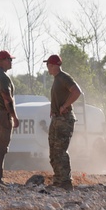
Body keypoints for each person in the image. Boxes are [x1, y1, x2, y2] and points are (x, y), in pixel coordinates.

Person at [45, 54, 83, 189]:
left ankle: (65, 182)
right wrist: (54, 108)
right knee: (53, 152)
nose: (47, 68)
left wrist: (65, 105)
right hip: (56, 118)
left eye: (48, 65)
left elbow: (77, 92)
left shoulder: (64, 78)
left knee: (60, 151)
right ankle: (58, 180)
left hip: (64, 119)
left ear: (53, 65)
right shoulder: (57, 79)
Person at [0, 50, 21, 185]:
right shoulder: (3, 77)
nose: (11, 62)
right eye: (9, 59)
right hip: (2, 114)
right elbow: (7, 98)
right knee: (2, 148)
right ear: (2, 61)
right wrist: (14, 116)